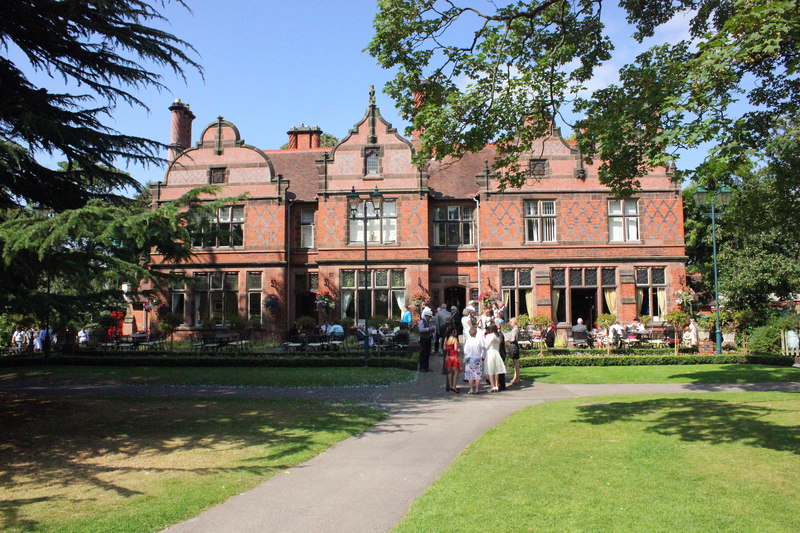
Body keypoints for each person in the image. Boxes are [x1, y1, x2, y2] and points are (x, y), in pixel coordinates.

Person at [482, 323, 506, 393]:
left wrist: (481, 347)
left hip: (490, 353)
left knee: (490, 370)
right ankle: (496, 385)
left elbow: (486, 346)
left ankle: (492, 386)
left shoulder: (490, 336)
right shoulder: (498, 336)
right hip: (496, 353)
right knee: (496, 370)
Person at [463, 326, 484, 394]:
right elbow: (481, 349)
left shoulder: (468, 341)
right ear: (476, 333)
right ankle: (477, 388)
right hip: (477, 358)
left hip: (470, 358)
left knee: (470, 374)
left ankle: (471, 389)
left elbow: (465, 351)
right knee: (477, 374)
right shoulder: (478, 341)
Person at [443, 328, 462, 392]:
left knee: (450, 372)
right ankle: (454, 386)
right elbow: (456, 348)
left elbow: (444, 348)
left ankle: (450, 385)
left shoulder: (446, 338)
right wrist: (459, 350)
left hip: (448, 356)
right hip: (454, 356)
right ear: (453, 332)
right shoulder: (455, 339)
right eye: (455, 331)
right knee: (456, 371)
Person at [507, 317, 521, 386]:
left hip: (513, 346)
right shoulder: (514, 329)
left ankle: (517, 377)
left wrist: (507, 340)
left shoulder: (515, 329)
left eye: (511, 322)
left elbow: (513, 339)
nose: (510, 323)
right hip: (514, 346)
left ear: (514, 322)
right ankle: (516, 377)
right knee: (515, 363)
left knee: (515, 363)